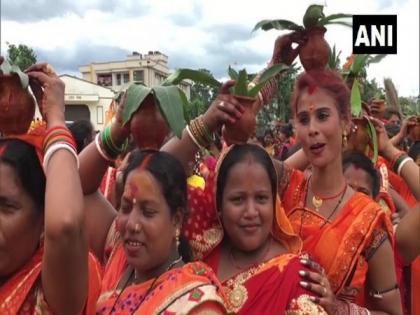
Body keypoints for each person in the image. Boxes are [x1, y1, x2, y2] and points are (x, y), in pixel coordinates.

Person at [78, 112, 228, 313]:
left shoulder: (196, 304)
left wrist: (209, 120)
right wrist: (117, 130)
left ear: (176, 220)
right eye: (126, 207)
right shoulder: (119, 251)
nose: (132, 223)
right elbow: (75, 188)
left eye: (148, 212)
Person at [280, 70, 402, 314]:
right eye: (304, 120)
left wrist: (338, 309)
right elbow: (240, 168)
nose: (312, 128)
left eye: (323, 115)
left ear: (346, 121)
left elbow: (393, 312)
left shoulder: (368, 219)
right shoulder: (284, 189)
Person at [0, 61, 101, 314]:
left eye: (6, 206)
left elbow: (65, 224)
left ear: (45, 215)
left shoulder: (53, 287)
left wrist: (55, 117)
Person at [181, 144, 327, 314]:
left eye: (261, 198)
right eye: (238, 199)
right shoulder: (204, 246)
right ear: (219, 204)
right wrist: (210, 120)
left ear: (274, 202)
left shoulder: (296, 276)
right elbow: (155, 175)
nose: (250, 212)